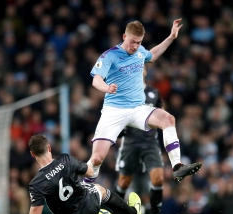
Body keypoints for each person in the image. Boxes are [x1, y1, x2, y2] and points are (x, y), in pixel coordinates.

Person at [83, 18, 202, 186]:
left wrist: (171, 37)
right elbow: (96, 79)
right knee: (96, 158)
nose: (135, 46)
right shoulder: (110, 55)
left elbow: (152, 55)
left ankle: (177, 166)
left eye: (139, 43)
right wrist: (106, 88)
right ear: (124, 36)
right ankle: (85, 186)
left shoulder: (139, 52)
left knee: (168, 119)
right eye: (132, 42)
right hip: (114, 111)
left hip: (137, 109)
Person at [0, 134, 142, 214]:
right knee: (100, 189)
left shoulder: (36, 183)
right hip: (89, 205)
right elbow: (89, 173)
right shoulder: (66, 160)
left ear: (33, 154)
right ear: (49, 148)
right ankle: (133, 212)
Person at [114, 66, 167, 214]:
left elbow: (161, 115)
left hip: (150, 143)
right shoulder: (124, 93)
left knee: (158, 178)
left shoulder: (153, 93)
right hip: (130, 143)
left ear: (144, 72)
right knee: (123, 182)